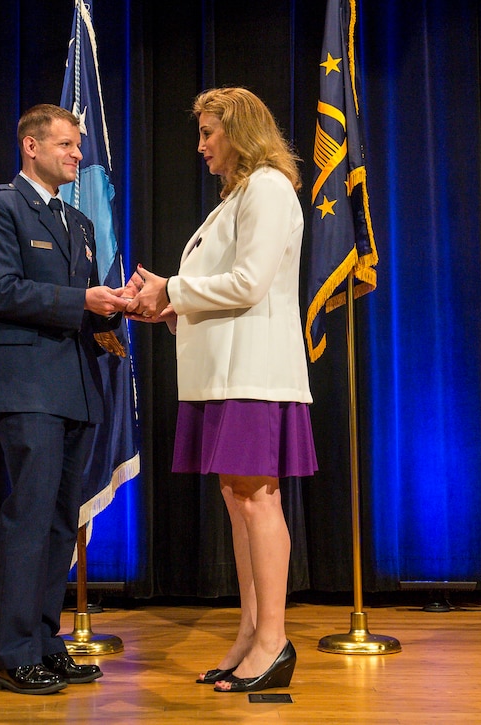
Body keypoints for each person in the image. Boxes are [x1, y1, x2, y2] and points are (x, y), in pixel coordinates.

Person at [125, 87, 317, 693]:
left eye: (209, 132)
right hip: (223, 373)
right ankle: (251, 631)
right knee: (240, 500)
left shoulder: (267, 187)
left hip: (253, 372)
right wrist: (165, 302)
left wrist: (173, 291)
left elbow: (251, 283)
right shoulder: (235, 199)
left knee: (257, 499)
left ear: (239, 133)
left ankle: (275, 639)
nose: (202, 145)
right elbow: (220, 287)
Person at [0, 104, 129, 695]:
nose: (77, 155)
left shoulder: (80, 224)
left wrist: (118, 309)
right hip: (27, 386)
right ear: (30, 147)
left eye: (78, 147)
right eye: (66, 145)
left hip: (76, 389)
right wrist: (84, 303)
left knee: (61, 523)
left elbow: (80, 302)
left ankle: (44, 641)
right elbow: (1, 291)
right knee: (29, 520)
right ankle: (12, 656)